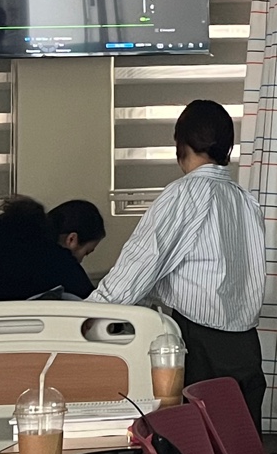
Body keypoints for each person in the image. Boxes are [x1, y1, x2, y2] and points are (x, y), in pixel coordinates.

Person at [89, 100, 267, 426]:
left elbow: (134, 274)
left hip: (201, 347)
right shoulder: (245, 201)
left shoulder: (184, 195)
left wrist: (81, 320)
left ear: (180, 143)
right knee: (239, 445)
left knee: (196, 448)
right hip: (246, 348)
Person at [0, 197, 105, 304]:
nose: (81, 260)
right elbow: (94, 303)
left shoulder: (12, 226)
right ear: (72, 239)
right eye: (86, 252)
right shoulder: (55, 258)